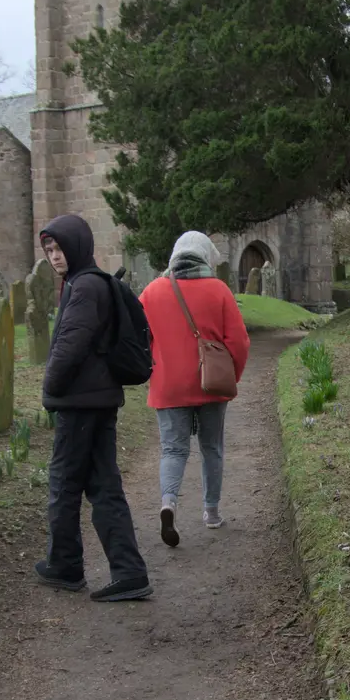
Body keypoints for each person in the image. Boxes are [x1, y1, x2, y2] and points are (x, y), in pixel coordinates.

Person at [34, 213, 151, 601]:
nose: (54, 256)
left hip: (81, 403)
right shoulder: (89, 282)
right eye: (48, 249)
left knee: (65, 482)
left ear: (77, 246)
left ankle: (65, 564)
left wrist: (50, 388)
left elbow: (71, 343)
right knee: (103, 485)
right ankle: (129, 571)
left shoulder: (84, 287)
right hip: (98, 398)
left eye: (59, 247)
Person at [139, 231, 249, 546]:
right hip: (212, 383)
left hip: (169, 385)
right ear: (204, 256)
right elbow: (239, 342)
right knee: (211, 448)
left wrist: (153, 369)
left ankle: (168, 503)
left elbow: (138, 339)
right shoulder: (219, 290)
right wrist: (232, 376)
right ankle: (211, 512)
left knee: (173, 449)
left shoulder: (152, 292)